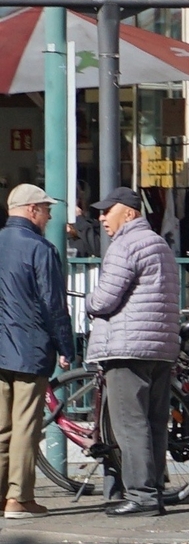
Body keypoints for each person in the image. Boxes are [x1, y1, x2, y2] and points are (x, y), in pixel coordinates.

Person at [84, 189, 178, 518]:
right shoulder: (160, 245)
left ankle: (142, 495)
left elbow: (105, 300)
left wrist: (89, 302)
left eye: (107, 210)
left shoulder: (125, 245)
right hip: (159, 348)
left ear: (130, 213)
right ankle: (155, 490)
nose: (101, 217)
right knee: (153, 423)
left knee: (130, 424)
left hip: (127, 348)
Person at [0, 187, 72, 521]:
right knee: (26, 426)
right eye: (46, 209)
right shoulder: (40, 248)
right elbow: (53, 305)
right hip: (29, 349)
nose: (49, 215)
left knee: (2, 428)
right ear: (31, 210)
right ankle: (20, 498)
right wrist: (66, 347)